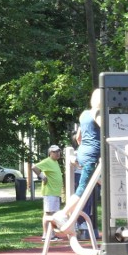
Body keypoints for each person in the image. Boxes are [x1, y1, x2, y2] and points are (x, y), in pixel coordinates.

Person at [54, 88, 102, 233]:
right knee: (82, 189)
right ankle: (63, 214)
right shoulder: (97, 113)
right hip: (92, 156)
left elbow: (78, 137)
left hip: (83, 153)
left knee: (101, 180)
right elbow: (107, 130)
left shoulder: (84, 114)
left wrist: (85, 148)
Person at [32, 145, 64, 241]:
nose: (57, 153)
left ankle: (52, 234)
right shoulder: (47, 161)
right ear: (50, 153)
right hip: (49, 192)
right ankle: (46, 235)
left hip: (55, 192)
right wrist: (42, 176)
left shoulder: (55, 162)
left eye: (58, 151)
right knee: (48, 214)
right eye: (54, 152)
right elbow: (34, 167)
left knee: (54, 214)